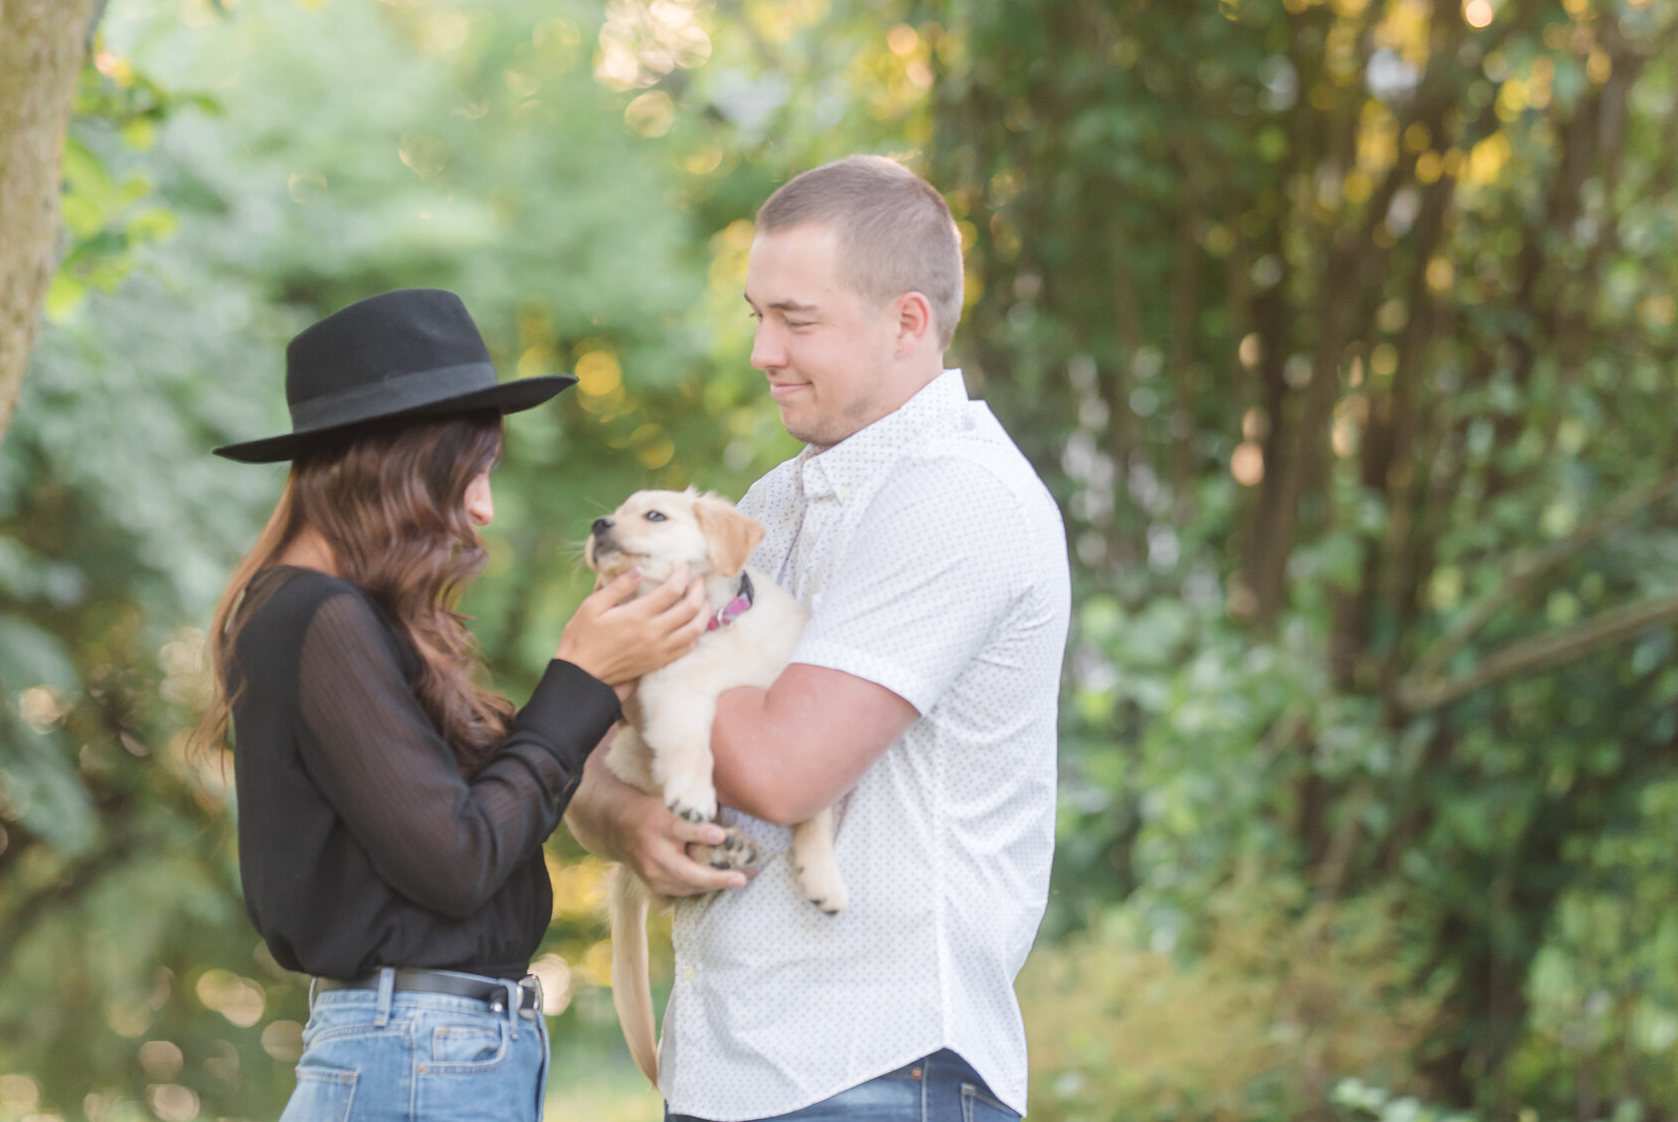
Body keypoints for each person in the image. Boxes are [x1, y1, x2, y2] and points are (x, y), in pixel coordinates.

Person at [567, 156, 1071, 1122]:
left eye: (796, 320)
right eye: (756, 314)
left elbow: (784, 768)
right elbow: (587, 763)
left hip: (879, 1071)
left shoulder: (956, 495)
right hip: (722, 1070)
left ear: (907, 322)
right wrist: (629, 822)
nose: (762, 350)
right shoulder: (769, 505)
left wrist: (627, 648)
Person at [201, 288, 721, 1122]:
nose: (483, 506)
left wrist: (613, 690)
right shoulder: (314, 617)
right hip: (415, 1055)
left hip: (433, 1055)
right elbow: (457, 858)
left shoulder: (339, 619)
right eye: (469, 471)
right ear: (392, 459)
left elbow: (477, 821)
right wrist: (578, 677)